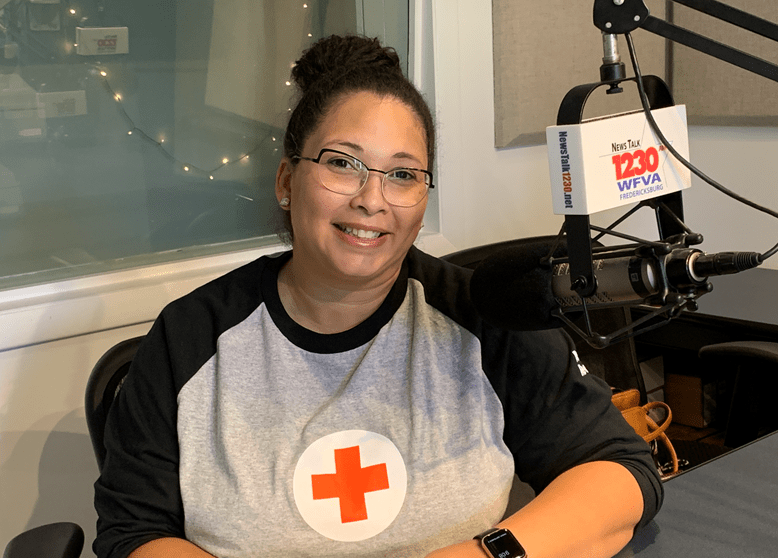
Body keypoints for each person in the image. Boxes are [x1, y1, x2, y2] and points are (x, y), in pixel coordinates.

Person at [93, 35, 662, 558]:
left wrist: (485, 554)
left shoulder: (482, 315)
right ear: (287, 181)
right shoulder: (190, 337)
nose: (372, 199)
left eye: (403, 175)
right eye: (343, 164)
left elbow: (619, 469)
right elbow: (134, 532)